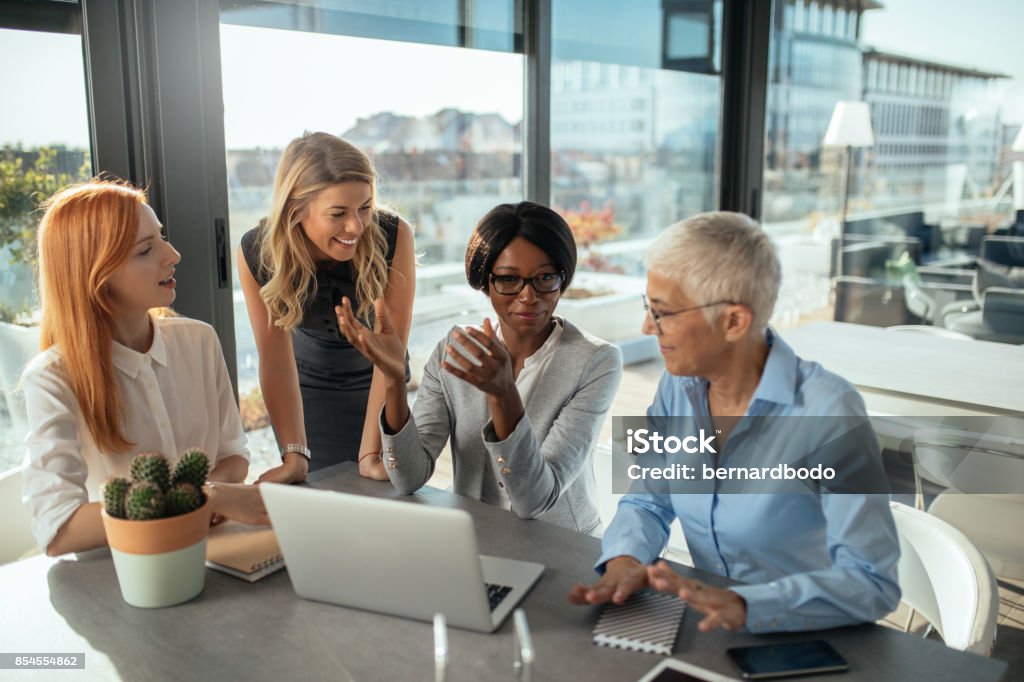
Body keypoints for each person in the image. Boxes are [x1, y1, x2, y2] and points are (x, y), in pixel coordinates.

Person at [568, 211, 901, 632]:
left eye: (663, 312)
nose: (647, 326)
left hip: (812, 639)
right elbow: (649, 499)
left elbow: (873, 582)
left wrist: (747, 605)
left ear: (734, 321)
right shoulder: (677, 387)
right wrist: (626, 561)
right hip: (711, 629)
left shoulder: (828, 411)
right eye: (647, 307)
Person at [337, 201, 622, 534]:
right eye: (509, 279)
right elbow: (408, 477)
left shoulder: (595, 361)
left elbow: (537, 499)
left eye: (546, 278)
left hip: (563, 545)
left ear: (562, 278)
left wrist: (504, 394)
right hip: (477, 539)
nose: (529, 296)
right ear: (484, 283)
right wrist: (394, 380)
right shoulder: (453, 351)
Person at [22, 180, 268, 557]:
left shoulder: (198, 340)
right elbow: (59, 530)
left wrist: (202, 504)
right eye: (146, 250)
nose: (173, 255)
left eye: (162, 238)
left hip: (210, 551)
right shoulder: (51, 378)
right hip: (117, 572)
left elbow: (233, 455)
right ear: (97, 275)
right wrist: (207, 498)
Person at [238, 132, 415, 481]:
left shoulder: (395, 236)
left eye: (365, 208)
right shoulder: (257, 252)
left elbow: (392, 350)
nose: (356, 226)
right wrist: (293, 455)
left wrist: (372, 452)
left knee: (387, 498)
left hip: (384, 389)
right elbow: (274, 362)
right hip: (307, 397)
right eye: (338, 213)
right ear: (295, 209)